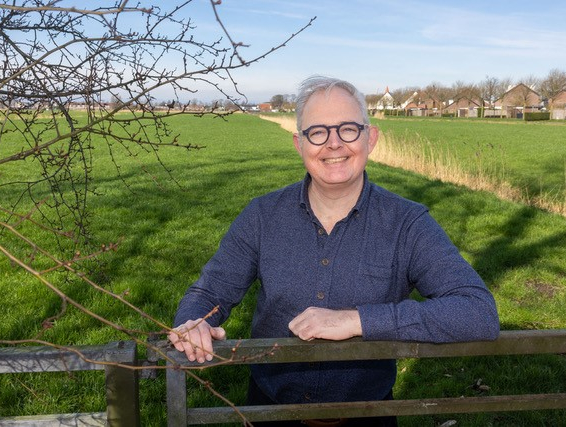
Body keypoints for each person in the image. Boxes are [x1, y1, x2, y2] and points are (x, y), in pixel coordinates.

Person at [169, 76, 500, 426]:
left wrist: (356, 320)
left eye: (348, 129)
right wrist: (194, 322)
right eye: (318, 132)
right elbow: (210, 292)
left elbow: (477, 311)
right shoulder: (262, 215)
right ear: (300, 144)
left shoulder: (407, 223)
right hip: (269, 411)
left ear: (370, 138)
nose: (333, 144)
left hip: (368, 415)